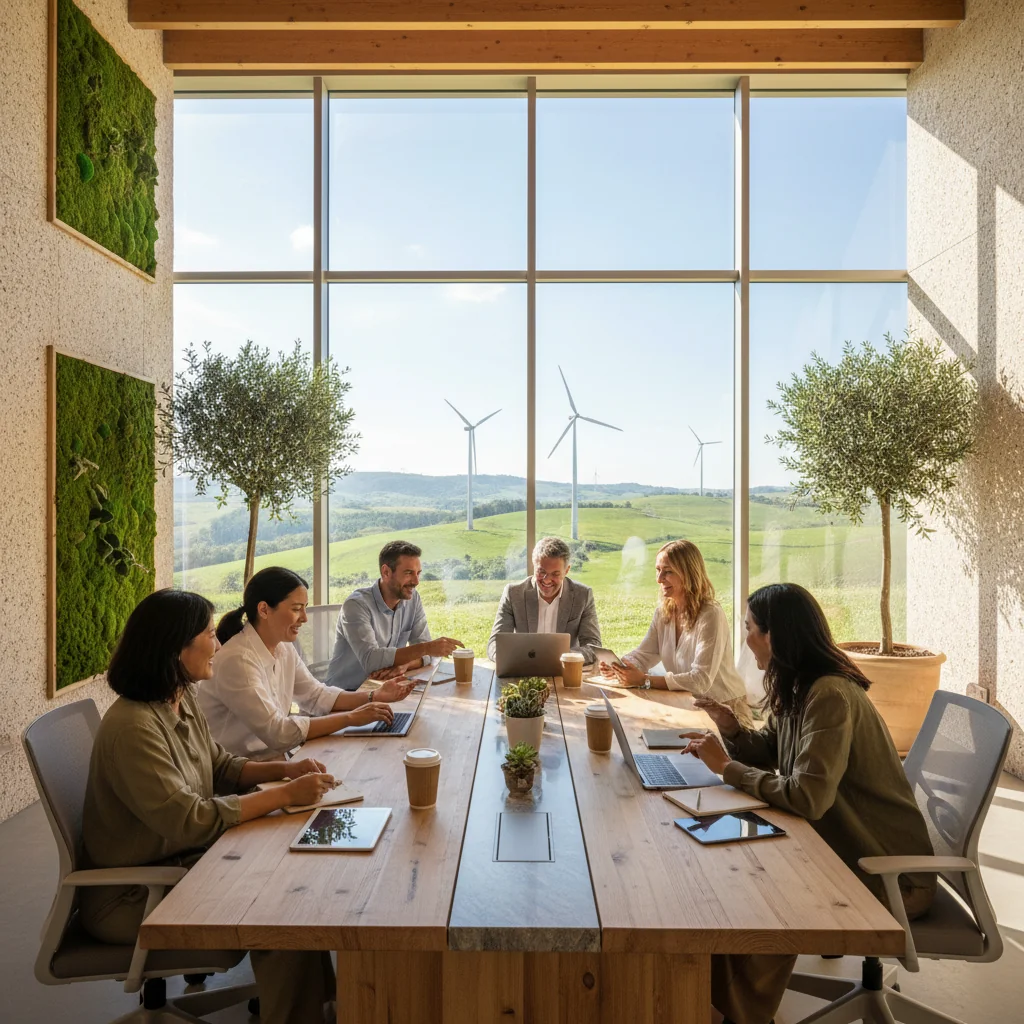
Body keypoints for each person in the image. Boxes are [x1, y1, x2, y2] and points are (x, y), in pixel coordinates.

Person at [81, 589, 340, 1024]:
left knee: (293, 878)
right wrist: (281, 796)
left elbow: (220, 765)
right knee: (280, 907)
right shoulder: (133, 728)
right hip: (134, 897)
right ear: (173, 647)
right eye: (206, 633)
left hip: (178, 863)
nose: (217, 643)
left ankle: (321, 1007)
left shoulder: (178, 699)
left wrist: (285, 771)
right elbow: (189, 819)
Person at [683, 583, 936, 1024]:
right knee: (735, 875)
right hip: (843, 848)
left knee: (765, 892)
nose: (745, 638)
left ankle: (737, 1013)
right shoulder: (799, 685)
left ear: (775, 636)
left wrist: (727, 769)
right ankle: (716, 1000)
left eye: (750, 629)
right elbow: (774, 749)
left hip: (888, 871)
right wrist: (733, 731)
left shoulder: (829, 696)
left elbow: (808, 797)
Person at [199, 566, 417, 760]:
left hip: (275, 761)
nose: (304, 617)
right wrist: (350, 718)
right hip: (242, 776)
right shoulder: (239, 660)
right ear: (264, 609)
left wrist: (373, 696)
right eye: (296, 609)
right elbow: (279, 733)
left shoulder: (283, 647)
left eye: (305, 607)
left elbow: (315, 695)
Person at [600, 539, 752, 726]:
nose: (659, 579)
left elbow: (700, 681)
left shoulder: (710, 614)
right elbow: (646, 653)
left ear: (688, 573)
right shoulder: (664, 611)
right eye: (658, 570)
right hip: (687, 704)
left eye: (668, 571)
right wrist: (619, 666)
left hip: (725, 712)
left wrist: (645, 681)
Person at [326, 540, 464, 690]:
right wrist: (426, 648)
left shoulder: (413, 599)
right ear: (386, 572)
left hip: (382, 692)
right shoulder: (356, 605)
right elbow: (371, 660)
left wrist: (405, 665)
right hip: (345, 696)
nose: (416, 581)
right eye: (408, 573)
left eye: (418, 573)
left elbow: (427, 655)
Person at [487, 536, 602, 663]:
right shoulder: (514, 594)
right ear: (533, 565)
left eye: (555, 574)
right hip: (523, 669)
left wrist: (566, 657)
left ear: (567, 570)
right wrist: (513, 658)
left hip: (565, 671)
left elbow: (594, 646)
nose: (547, 579)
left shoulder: (583, 595)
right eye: (541, 572)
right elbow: (494, 644)